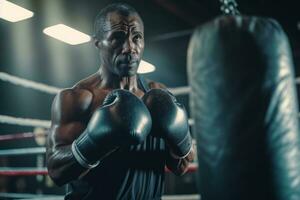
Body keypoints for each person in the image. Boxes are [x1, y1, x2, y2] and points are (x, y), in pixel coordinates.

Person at [46, 3, 195, 200]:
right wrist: (94, 142)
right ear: (98, 43)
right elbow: (56, 171)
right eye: (118, 37)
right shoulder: (77, 98)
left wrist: (180, 139)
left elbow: (182, 167)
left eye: (137, 38)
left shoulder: (158, 94)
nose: (129, 48)